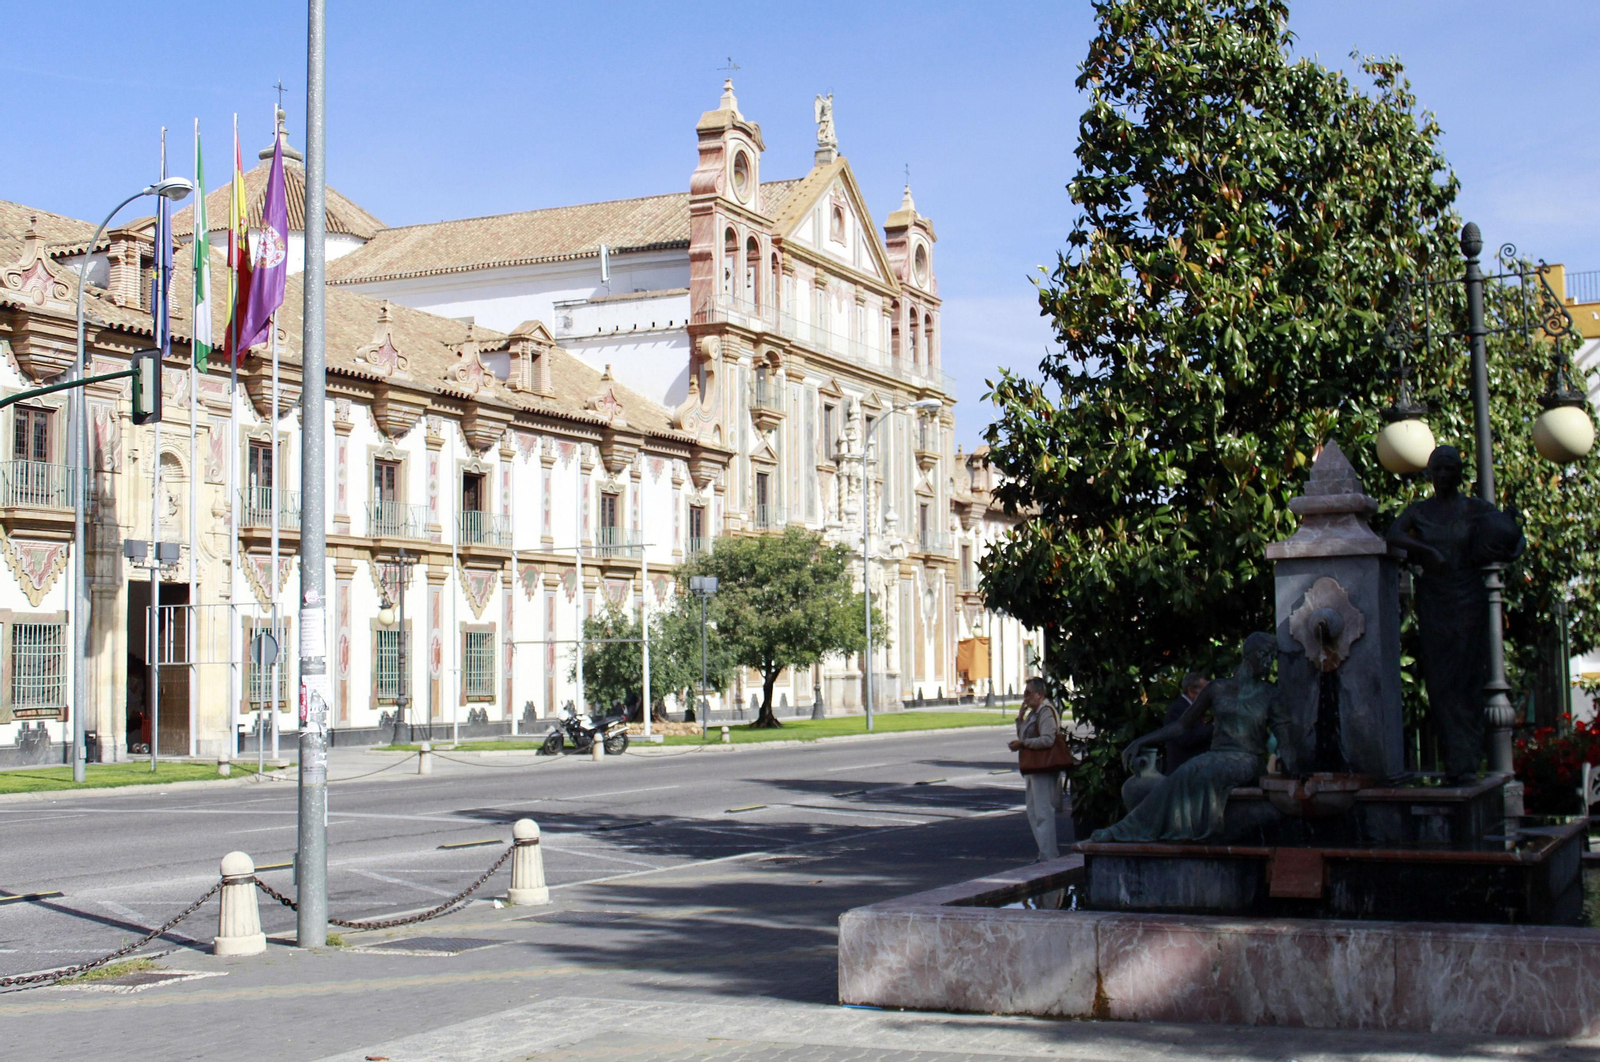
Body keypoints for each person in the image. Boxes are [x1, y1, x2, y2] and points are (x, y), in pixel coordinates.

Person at [1385, 445, 1523, 785]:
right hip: (1435, 600)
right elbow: (1392, 534)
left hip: (1468, 598)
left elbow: (1514, 537)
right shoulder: (1420, 511)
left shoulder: (1475, 509)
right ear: (1430, 474)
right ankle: (1454, 760)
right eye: (1438, 469)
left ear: (1460, 472)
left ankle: (1467, 763)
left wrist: (1506, 546)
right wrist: (1427, 550)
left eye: (1450, 468)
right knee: (1441, 682)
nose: (1444, 475)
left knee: (1469, 679)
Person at [1091, 633, 1293, 844]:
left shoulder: (1271, 694)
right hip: (1217, 755)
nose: (1269, 662)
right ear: (1248, 655)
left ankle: (1184, 831)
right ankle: (1126, 829)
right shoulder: (1217, 688)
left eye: (1272, 656)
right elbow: (1181, 725)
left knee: (1206, 773)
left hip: (1247, 760)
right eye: (1264, 655)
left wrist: (1292, 769)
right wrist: (1142, 740)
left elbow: (1285, 738)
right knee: (1185, 772)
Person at [1009, 677, 1064, 861]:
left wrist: (1024, 744)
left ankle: (1049, 856)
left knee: (1043, 813)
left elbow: (1048, 739)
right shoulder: (1034, 713)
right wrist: (1020, 719)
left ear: (1039, 695)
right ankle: (1044, 853)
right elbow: (1024, 734)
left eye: (1028, 693)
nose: (1025, 697)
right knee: (1033, 813)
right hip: (1033, 768)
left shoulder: (1045, 711)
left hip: (1043, 768)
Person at [1163, 671, 1211, 772]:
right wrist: (1212, 727)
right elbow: (1186, 738)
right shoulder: (1179, 709)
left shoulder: (1191, 708)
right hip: (1183, 771)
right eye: (1205, 691)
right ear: (1192, 691)